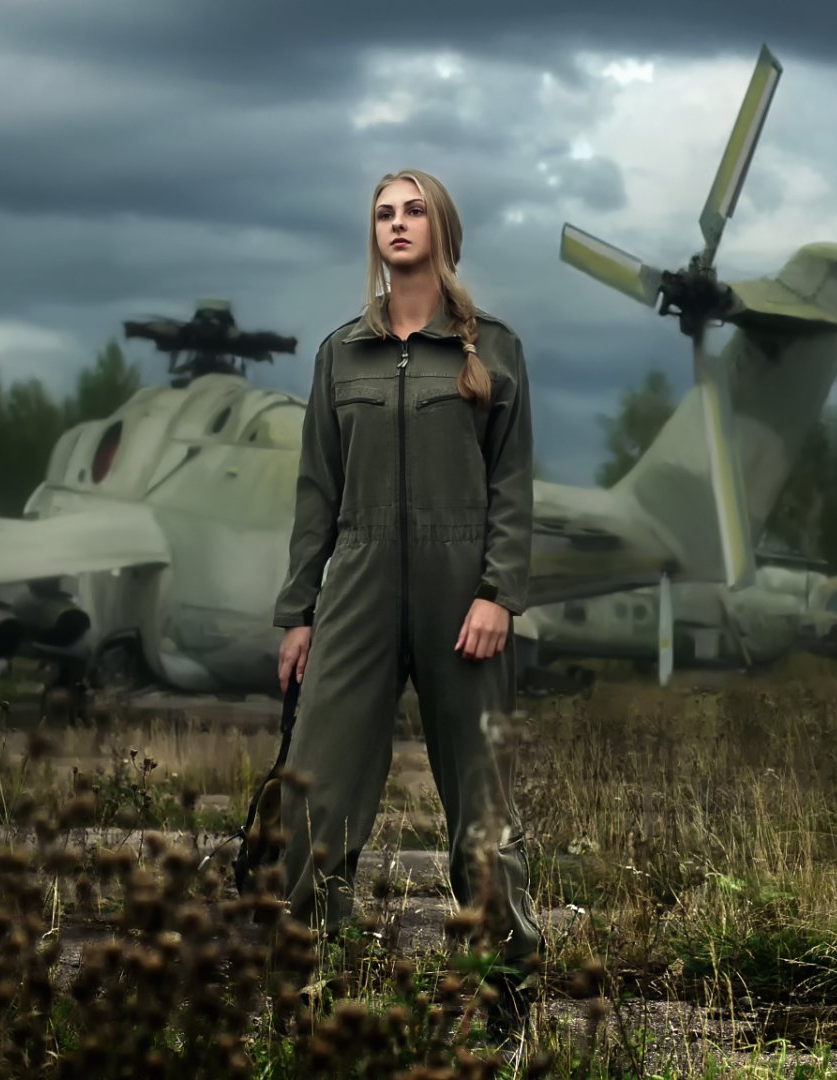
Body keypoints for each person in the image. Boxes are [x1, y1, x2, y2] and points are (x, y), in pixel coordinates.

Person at [270, 167, 541, 1042]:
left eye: (413, 210)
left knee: (483, 807)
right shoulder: (339, 353)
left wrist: (499, 592)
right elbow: (317, 491)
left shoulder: (491, 349)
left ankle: (504, 995)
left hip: (464, 596)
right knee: (313, 787)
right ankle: (312, 984)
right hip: (355, 588)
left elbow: (513, 484)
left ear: (442, 229)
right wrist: (298, 612)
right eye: (383, 213)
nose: (396, 224)